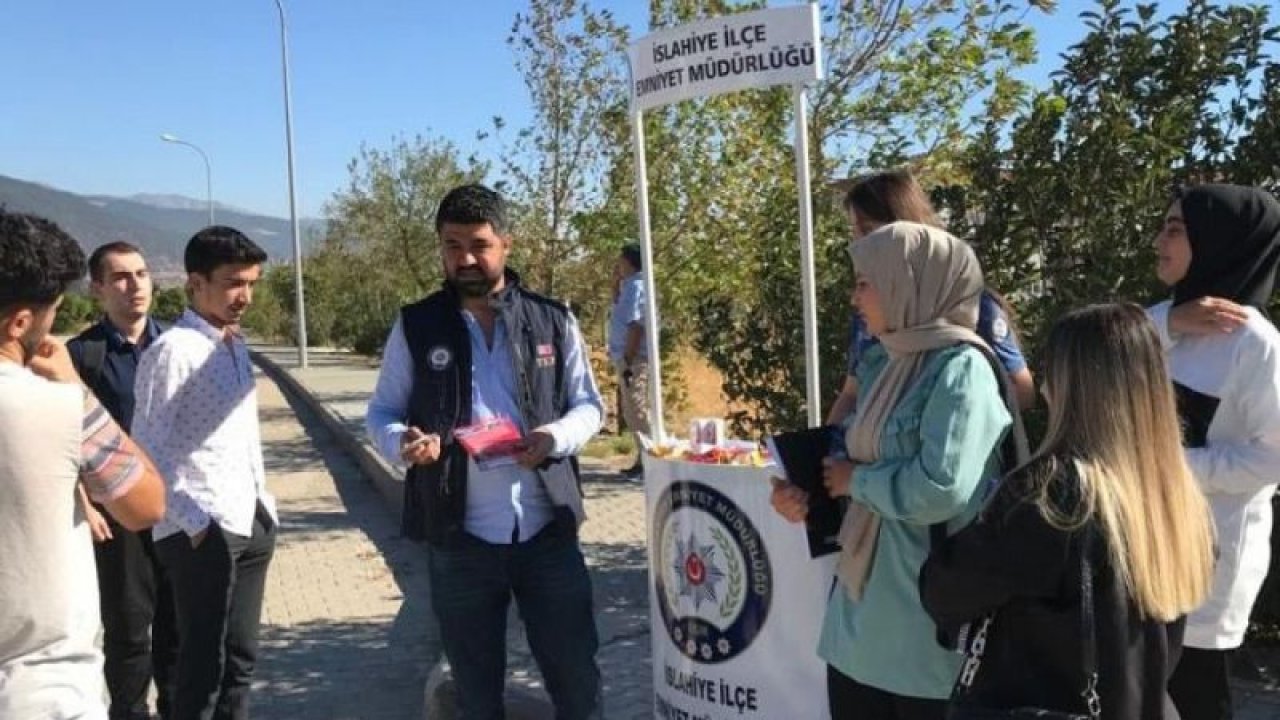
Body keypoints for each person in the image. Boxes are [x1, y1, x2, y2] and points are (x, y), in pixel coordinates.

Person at [366, 184, 605, 720]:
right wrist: (402, 442)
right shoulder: (417, 324)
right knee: (475, 694)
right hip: (461, 541)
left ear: (507, 245)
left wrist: (553, 438)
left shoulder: (552, 318)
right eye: (452, 245)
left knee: (578, 683)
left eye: (479, 244)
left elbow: (590, 405)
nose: (466, 258)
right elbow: (381, 412)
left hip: (548, 536)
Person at [772, 222, 1021, 719]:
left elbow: (942, 487)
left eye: (866, 282)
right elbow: (847, 458)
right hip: (858, 625)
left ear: (910, 286)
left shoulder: (961, 368)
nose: (854, 297)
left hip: (922, 633)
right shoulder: (883, 364)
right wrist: (804, 493)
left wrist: (854, 482)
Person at [920, 302, 1216, 719]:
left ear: (1071, 386)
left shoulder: (1051, 495)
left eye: (1052, 375)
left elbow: (946, 589)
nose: (1042, 389)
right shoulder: (1181, 499)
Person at [0, 210, 166, 719]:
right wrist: (76, 391)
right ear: (22, 322)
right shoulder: (56, 402)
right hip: (38, 685)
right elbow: (146, 502)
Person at [1145, 184, 1280, 720]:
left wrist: (1164, 468)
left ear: (1220, 241)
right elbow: (1094, 359)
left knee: (1197, 701)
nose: (1159, 240)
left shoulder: (1257, 345)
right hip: (1143, 554)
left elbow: (1271, 458)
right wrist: (1167, 324)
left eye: (1175, 229)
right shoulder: (1160, 322)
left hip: (1208, 567)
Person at [132, 226, 278, 720]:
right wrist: (194, 524)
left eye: (252, 283)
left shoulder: (233, 344)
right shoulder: (173, 351)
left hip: (248, 519)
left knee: (240, 661)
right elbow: (146, 449)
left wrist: (265, 509)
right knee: (203, 668)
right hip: (201, 528)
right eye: (235, 282)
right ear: (196, 284)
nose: (246, 296)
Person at [826, 170, 1035, 425]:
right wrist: (828, 451)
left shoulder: (970, 305)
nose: (858, 244)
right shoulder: (870, 309)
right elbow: (851, 394)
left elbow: (1022, 391)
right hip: (876, 457)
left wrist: (950, 417)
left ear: (905, 228)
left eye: (868, 230)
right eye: (854, 233)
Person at [68, 241, 177, 720]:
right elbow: (64, 441)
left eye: (141, 273)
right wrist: (84, 505)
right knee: (130, 631)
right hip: (119, 517)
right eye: (120, 277)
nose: (135, 285)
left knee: (179, 628)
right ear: (98, 289)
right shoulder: (80, 356)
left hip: (180, 511)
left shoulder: (177, 346)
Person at [607, 243, 650, 478]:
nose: (618, 265)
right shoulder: (629, 287)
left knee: (637, 410)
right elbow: (620, 313)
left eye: (620, 260)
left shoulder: (636, 287)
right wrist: (615, 285)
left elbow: (635, 326)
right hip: (627, 358)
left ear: (630, 261)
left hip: (633, 359)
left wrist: (627, 360)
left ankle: (651, 459)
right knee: (631, 412)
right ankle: (643, 458)